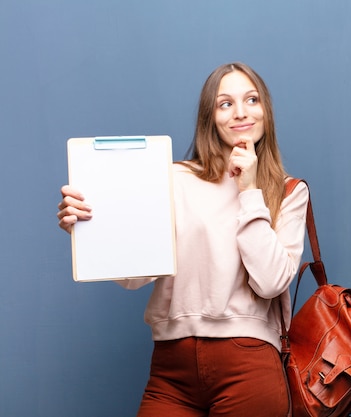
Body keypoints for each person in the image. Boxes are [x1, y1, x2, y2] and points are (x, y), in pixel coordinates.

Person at [57, 62, 309, 417]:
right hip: (170, 369)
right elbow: (136, 274)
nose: (240, 112)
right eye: (225, 103)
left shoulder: (288, 192)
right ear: (210, 116)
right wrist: (86, 229)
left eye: (251, 99)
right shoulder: (173, 179)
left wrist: (250, 190)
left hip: (248, 366)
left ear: (266, 109)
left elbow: (270, 283)